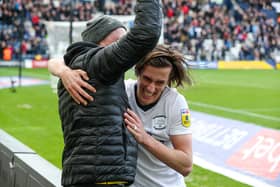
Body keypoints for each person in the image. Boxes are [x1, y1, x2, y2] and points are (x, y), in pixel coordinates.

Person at [48, 0, 162, 186]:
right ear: (99, 42)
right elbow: (147, 32)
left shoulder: (78, 67)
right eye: (119, 41)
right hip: (102, 179)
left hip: (87, 175)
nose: (123, 47)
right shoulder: (97, 64)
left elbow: (56, 62)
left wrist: (60, 69)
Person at [50, 45, 193, 187]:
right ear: (138, 71)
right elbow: (55, 62)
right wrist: (64, 72)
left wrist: (145, 139)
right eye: (147, 79)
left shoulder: (175, 103)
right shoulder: (122, 91)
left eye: (160, 83)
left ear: (169, 80)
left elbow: (186, 166)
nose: (150, 88)